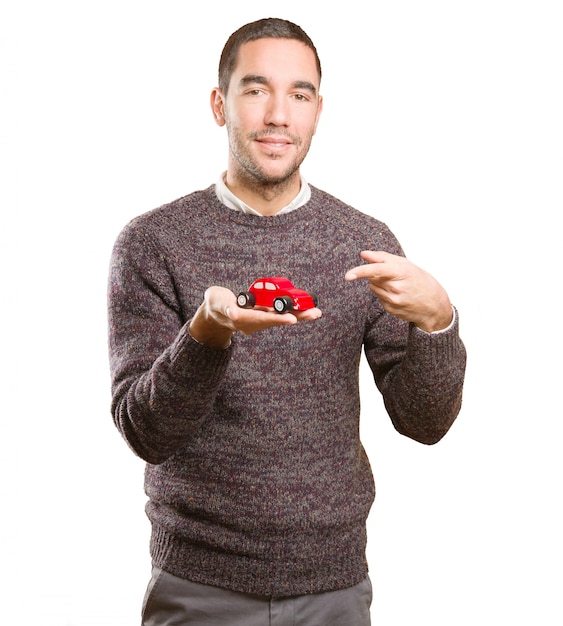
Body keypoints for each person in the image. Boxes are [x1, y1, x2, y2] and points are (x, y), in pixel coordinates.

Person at [107, 17, 466, 626]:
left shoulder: (365, 243)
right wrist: (206, 335)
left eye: (299, 94)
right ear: (220, 105)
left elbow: (424, 424)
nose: (278, 114)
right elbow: (145, 432)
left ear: (318, 111)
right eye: (256, 89)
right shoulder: (153, 242)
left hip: (334, 586)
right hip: (197, 585)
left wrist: (438, 324)